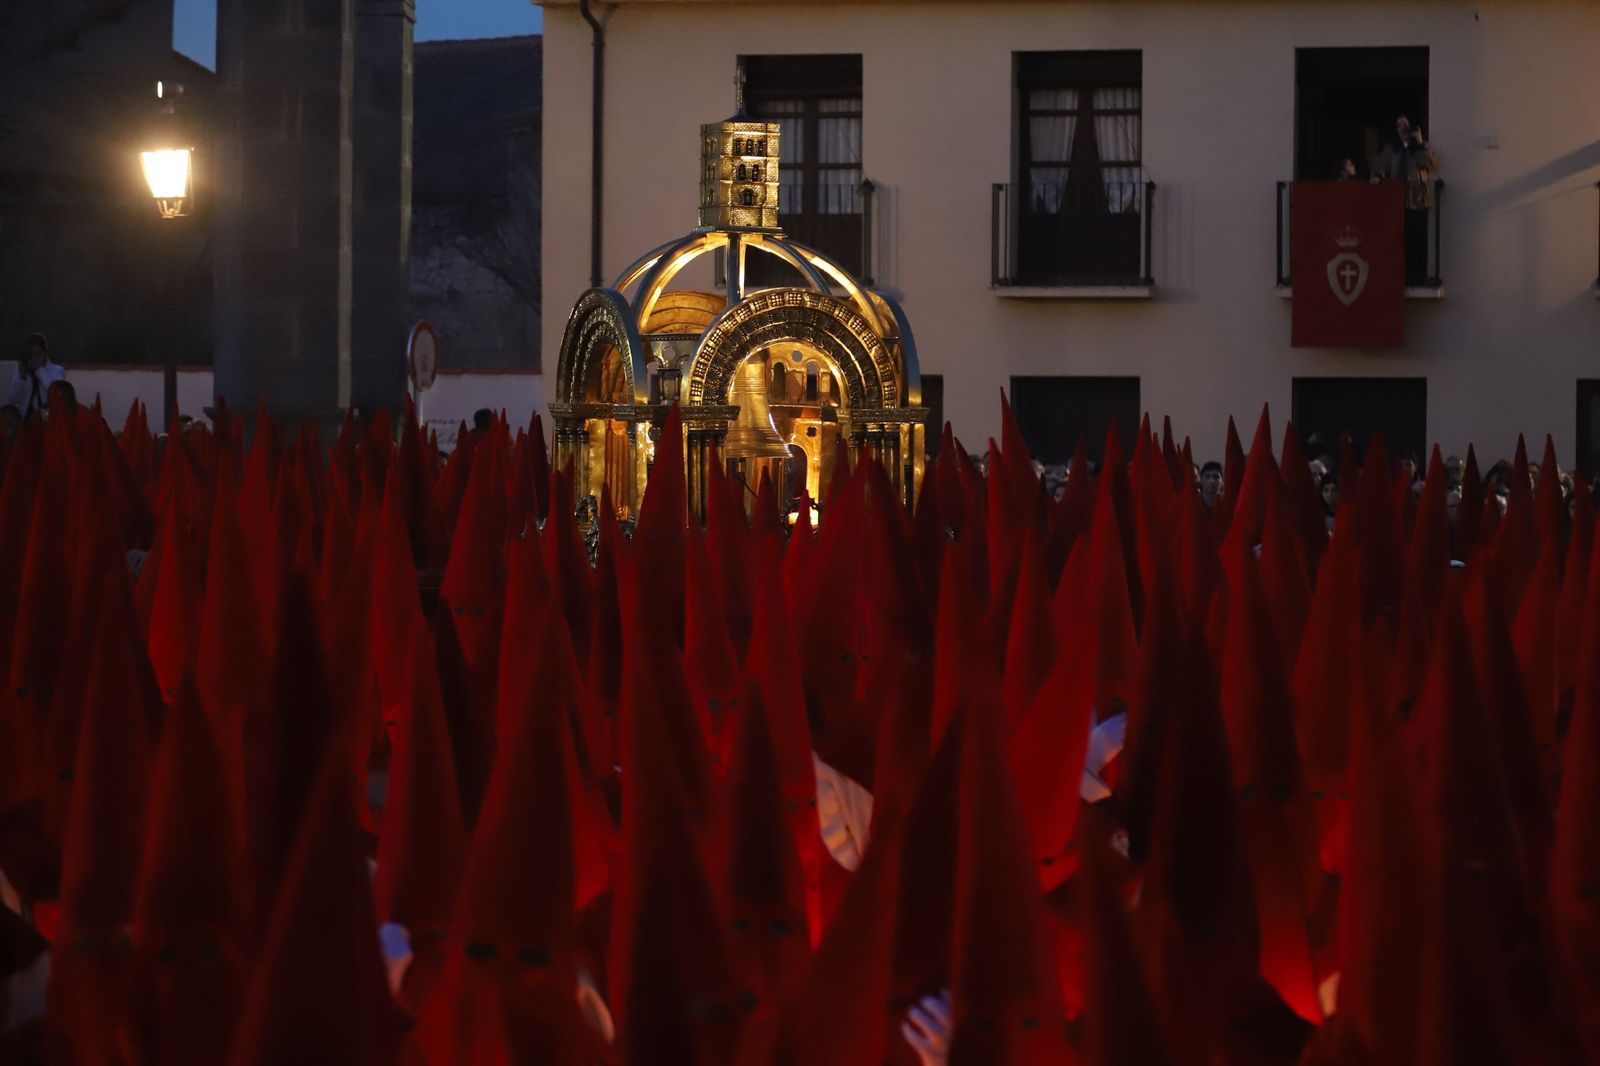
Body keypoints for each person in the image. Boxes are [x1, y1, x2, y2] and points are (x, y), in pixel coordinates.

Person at [1373, 116, 1438, 285]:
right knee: (1398, 239)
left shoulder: (1419, 148)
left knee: (1416, 240)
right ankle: (1398, 274)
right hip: (1396, 201)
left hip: (1417, 199)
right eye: (1399, 125)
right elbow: (1381, 165)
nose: (1403, 128)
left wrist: (1421, 142)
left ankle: (1416, 276)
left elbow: (1430, 164)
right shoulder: (1391, 149)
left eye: (1406, 125)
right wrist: (1379, 175)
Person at [7, 335, 64, 421]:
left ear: (45, 353)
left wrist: (39, 371)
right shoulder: (22, 370)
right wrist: (22, 377)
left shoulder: (57, 370)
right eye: (31, 353)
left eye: (38, 353)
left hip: (47, 421)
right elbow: (13, 400)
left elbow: (58, 395)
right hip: (25, 422)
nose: (34, 357)